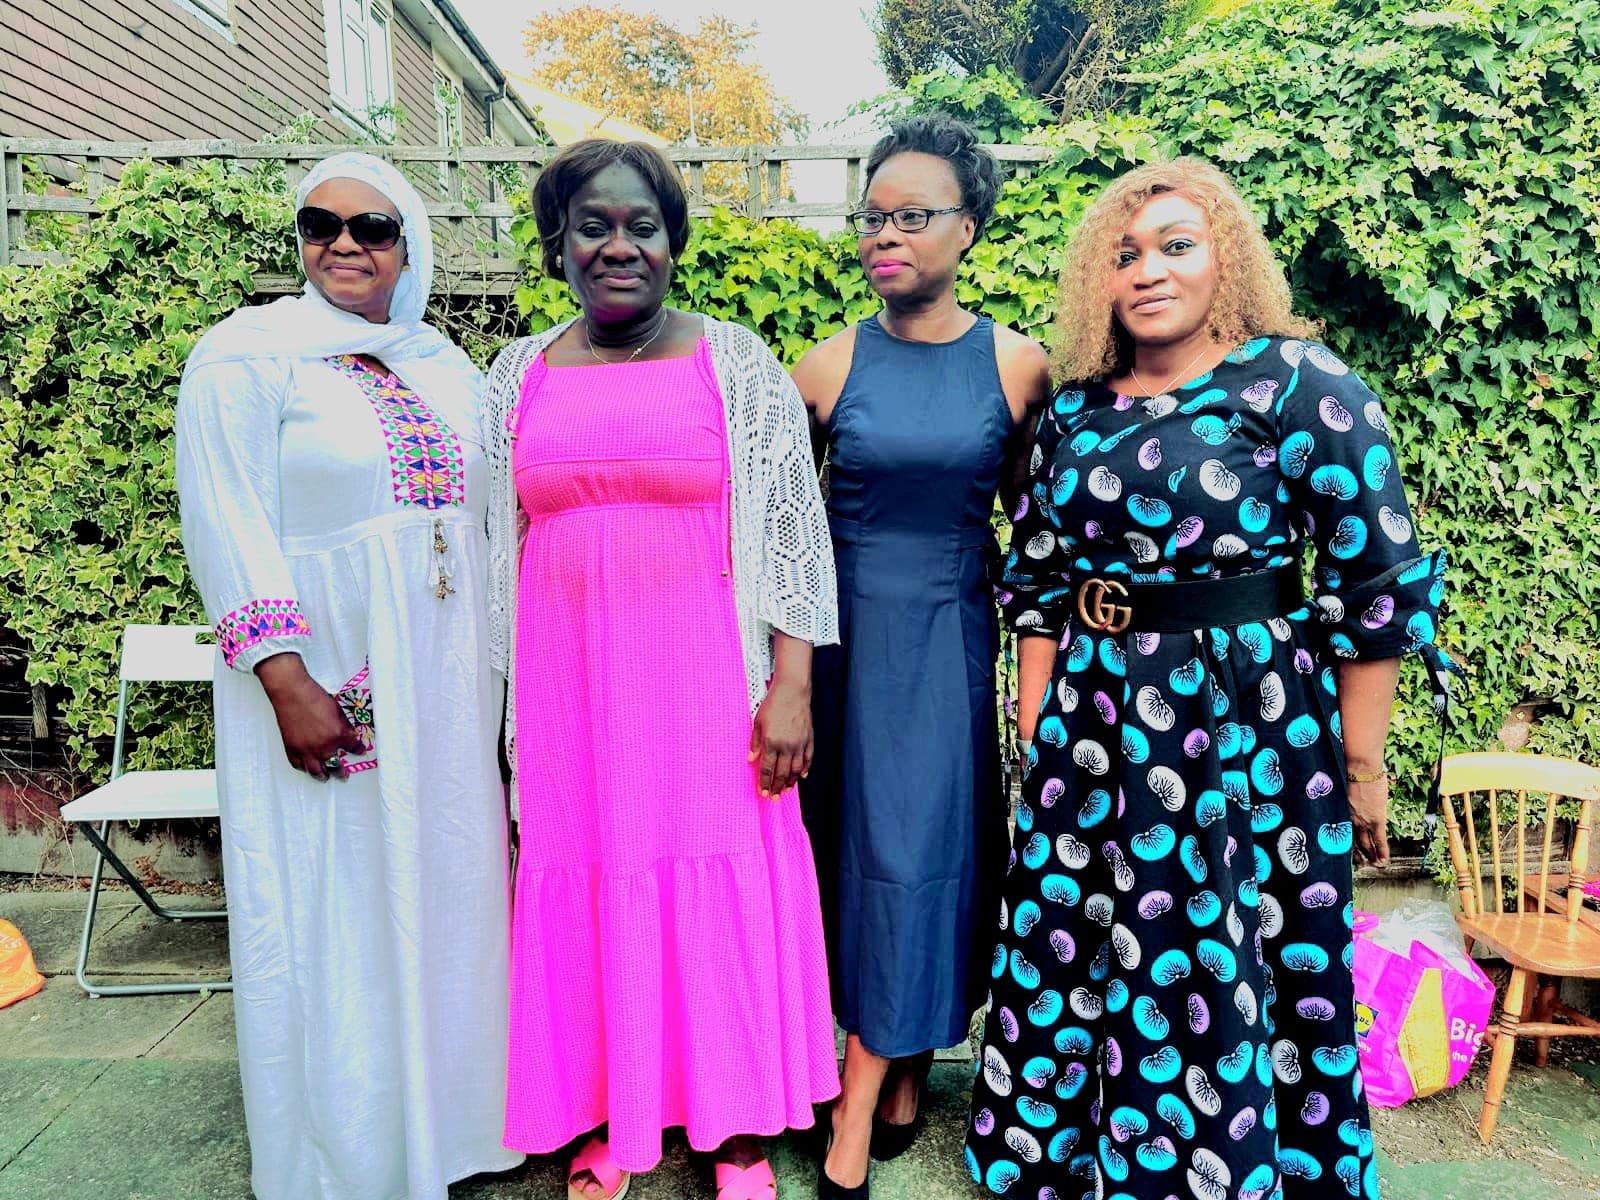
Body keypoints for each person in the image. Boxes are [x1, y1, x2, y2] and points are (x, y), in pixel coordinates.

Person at [965, 158, 1448, 1200]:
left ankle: (1223, 1170)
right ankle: (1070, 1161)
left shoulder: (1298, 384)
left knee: (1215, 948)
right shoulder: (1076, 410)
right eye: (1124, 254)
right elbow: (1039, 578)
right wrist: (1037, 724)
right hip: (1089, 731)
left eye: (1176, 245)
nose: (1147, 271)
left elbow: (1378, 584)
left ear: (1226, 255)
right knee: (1080, 939)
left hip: (1241, 732)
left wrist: (1360, 767)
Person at [482, 139, 841, 1200]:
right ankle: (603, 1116)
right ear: (558, 245)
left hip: (705, 692)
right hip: (567, 694)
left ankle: (732, 1134)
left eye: (641, 224)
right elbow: (487, 545)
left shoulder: (734, 362)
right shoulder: (518, 375)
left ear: (673, 241)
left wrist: (791, 686)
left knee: (718, 890)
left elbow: (791, 535)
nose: (618, 245)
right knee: (587, 885)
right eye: (592, 224)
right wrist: (496, 711)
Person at [176, 152, 520, 1199]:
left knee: (449, 882)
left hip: (449, 679)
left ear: (406, 242)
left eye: (371, 226)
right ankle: (354, 1150)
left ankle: (461, 1129)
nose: (343, 245)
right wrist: (285, 679)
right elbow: (222, 514)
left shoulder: (447, 365)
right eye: (319, 225)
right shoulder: (247, 354)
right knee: (337, 895)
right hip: (325, 670)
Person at [792, 114, 1050, 1199]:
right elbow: (777, 537)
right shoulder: (824, 365)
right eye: (872, 216)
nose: (884, 235)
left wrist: (1039, 688)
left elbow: (1040, 538)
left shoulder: (1019, 365)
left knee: (918, 860)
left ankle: (856, 1114)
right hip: (836, 648)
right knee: (836, 863)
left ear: (969, 227)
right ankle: (895, 1071)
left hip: (944, 649)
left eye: (912, 215)